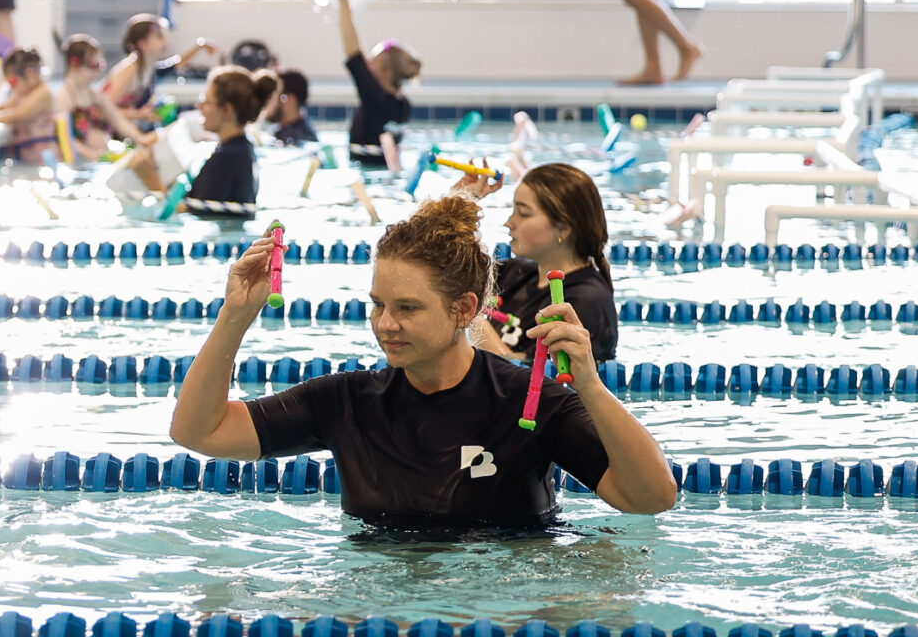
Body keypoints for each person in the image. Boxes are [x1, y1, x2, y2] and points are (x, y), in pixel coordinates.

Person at [168, 194, 676, 529]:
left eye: (408, 308)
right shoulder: (346, 402)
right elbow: (199, 432)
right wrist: (234, 317)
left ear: (464, 310)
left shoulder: (530, 403)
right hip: (379, 630)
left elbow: (653, 497)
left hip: (498, 626)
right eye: (378, 305)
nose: (385, 324)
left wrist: (588, 384)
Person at [454, 161, 621, 364]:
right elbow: (441, 269)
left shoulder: (587, 301)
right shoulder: (513, 274)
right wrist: (461, 200)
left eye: (523, 214)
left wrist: (472, 313)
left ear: (563, 228)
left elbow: (531, 378)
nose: (509, 222)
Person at [335, 0, 417, 172]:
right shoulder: (403, 105)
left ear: (386, 72)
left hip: (364, 172)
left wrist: (343, 0)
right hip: (386, 174)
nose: (367, 64)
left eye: (372, 61)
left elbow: (353, 52)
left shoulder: (375, 100)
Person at [181, 66, 279, 218]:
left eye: (206, 101)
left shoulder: (226, 158)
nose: (199, 107)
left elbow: (191, 210)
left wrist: (149, 176)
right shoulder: (243, 148)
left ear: (227, 110)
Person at [104, 15, 219, 123]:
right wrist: (138, 114)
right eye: (159, 36)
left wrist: (200, 45)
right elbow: (104, 109)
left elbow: (177, 63)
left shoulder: (147, 66)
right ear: (142, 44)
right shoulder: (129, 71)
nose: (166, 41)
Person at [60, 35, 155, 158]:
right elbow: (64, 139)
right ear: (74, 65)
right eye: (94, 65)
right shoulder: (64, 98)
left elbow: (118, 121)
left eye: (101, 65)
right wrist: (92, 155)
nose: (99, 71)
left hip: (96, 159)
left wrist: (140, 138)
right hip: (79, 161)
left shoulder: (94, 94)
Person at [0, 46, 60, 163]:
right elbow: (4, 107)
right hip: (27, 155)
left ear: (30, 73)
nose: (11, 87)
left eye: (12, 82)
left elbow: (18, 116)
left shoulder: (43, 93)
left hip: (44, 157)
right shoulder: (22, 91)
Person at [266, 68, 317, 146]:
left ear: (290, 99)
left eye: (274, 95)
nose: (269, 101)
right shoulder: (280, 131)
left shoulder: (299, 139)